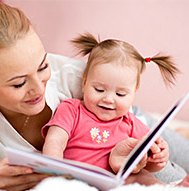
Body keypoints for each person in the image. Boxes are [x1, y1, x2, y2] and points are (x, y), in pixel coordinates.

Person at [0, 1, 188, 191]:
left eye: (42, 66)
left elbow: (130, 129)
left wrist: (162, 169)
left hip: (133, 125)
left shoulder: (71, 75)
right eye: (19, 83)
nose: (39, 89)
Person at [42, 33, 175, 173]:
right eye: (99, 90)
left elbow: (147, 166)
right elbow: (55, 141)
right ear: (84, 82)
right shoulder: (71, 110)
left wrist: (158, 158)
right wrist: (53, 170)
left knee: (145, 178)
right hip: (73, 178)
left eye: (120, 94)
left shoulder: (130, 123)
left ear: (134, 92)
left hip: (113, 183)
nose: (108, 99)